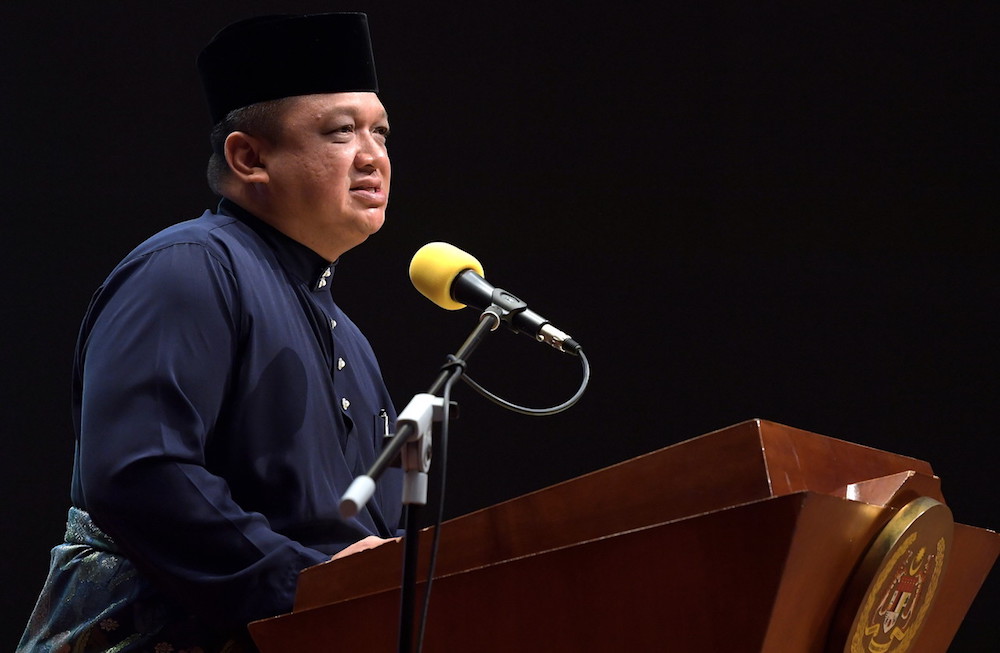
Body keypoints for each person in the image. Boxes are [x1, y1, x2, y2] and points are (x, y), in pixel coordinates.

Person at [18, 13, 403, 652]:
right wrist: (306, 589)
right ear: (249, 157)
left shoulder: (352, 343)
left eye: (382, 133)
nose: (373, 156)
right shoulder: (188, 267)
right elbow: (141, 473)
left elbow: (365, 544)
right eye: (341, 132)